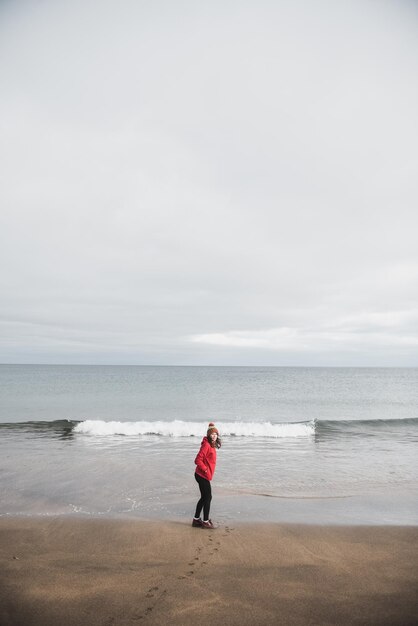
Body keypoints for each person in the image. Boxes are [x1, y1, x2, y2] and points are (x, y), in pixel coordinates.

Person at [192, 422, 221, 529]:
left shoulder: (211, 444)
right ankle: (205, 521)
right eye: (212, 434)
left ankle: (196, 520)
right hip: (201, 475)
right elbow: (197, 460)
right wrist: (205, 470)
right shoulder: (206, 445)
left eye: (215, 434)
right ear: (208, 435)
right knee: (208, 497)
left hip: (203, 475)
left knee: (204, 497)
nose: (214, 435)